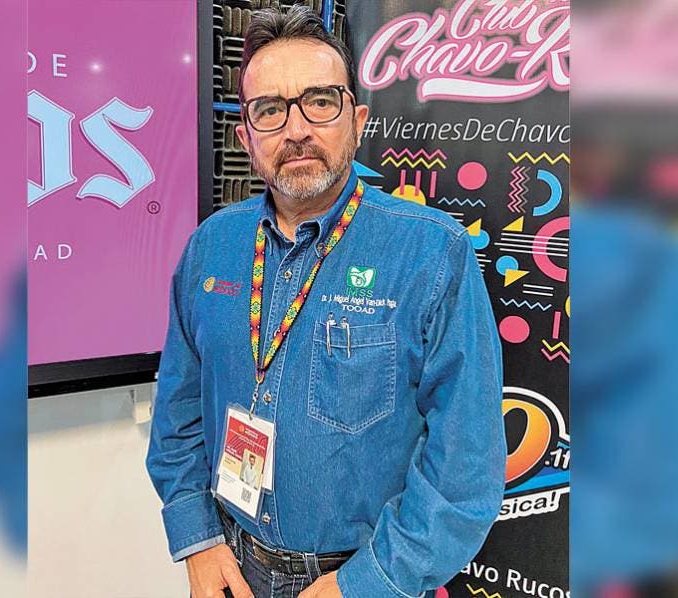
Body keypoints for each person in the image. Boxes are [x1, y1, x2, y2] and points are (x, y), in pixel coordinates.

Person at [146, 6, 505, 598]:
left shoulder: (432, 253)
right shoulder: (211, 247)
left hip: (357, 576)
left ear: (357, 120)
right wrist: (198, 539)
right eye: (270, 110)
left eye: (319, 101)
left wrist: (368, 581)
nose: (295, 129)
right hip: (230, 564)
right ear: (246, 137)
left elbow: (464, 468)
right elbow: (178, 410)